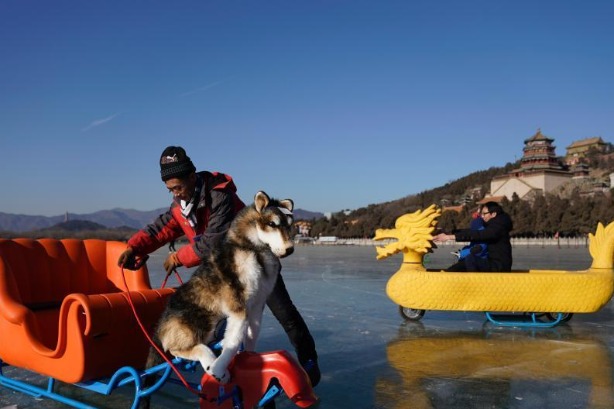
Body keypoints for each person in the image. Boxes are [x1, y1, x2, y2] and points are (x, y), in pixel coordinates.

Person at [117, 146, 320, 392]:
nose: (176, 194)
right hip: (225, 276)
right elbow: (160, 229)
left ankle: (309, 366)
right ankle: (237, 372)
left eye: (178, 187)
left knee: (285, 314)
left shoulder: (219, 196)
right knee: (227, 325)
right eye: (170, 190)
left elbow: (211, 241)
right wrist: (134, 247)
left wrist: (178, 257)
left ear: (192, 177)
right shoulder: (181, 207)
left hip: (258, 265)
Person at [433, 201, 513, 272]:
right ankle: (447, 274)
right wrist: (449, 233)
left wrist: (449, 237)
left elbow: (478, 235)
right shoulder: (493, 225)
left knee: (471, 259)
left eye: (484, 214)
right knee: (465, 261)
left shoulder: (498, 227)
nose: (482, 216)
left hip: (500, 266)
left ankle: (474, 286)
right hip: (491, 262)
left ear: (493, 214)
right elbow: (472, 232)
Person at [453, 207, 488, 271]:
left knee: (469, 259)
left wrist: (460, 254)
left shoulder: (482, 235)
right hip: (476, 258)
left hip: (479, 260)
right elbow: (472, 247)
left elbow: (478, 249)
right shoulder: (479, 231)